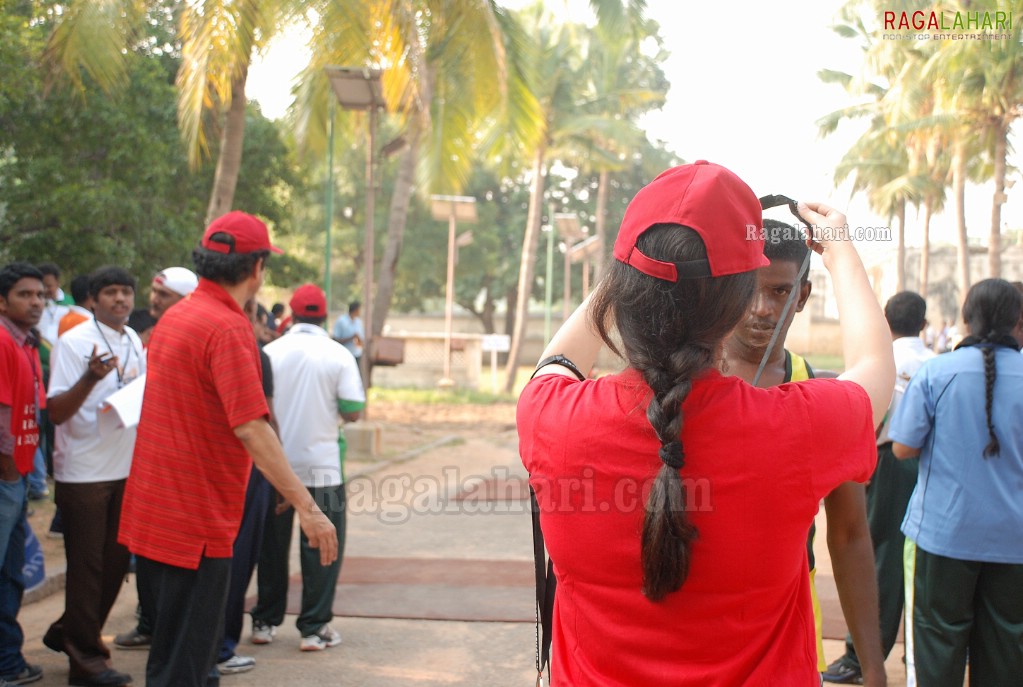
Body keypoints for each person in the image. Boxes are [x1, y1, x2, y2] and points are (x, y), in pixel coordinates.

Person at [516, 162, 894, 686]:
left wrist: (635, 264)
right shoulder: (795, 429)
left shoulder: (551, 417)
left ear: (621, 290)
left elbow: (555, 362)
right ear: (738, 303)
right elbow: (876, 367)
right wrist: (840, 250)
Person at [117, 211, 338, 687]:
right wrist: (309, 507)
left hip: (160, 510)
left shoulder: (177, 317)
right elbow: (252, 428)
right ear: (257, 268)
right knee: (187, 661)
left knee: (177, 653)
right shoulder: (226, 327)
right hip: (195, 521)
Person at [721, 219, 886, 686]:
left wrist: (872, 667)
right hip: (693, 617)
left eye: (778, 291)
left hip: (786, 622)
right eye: (747, 290)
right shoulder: (682, 381)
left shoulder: (821, 395)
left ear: (803, 295)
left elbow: (850, 533)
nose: (760, 309)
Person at [890, 278, 1023, 687]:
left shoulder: (936, 373)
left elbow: (902, 449)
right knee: (1005, 649)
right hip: (1014, 542)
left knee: (938, 645)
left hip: (944, 535)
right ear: (1018, 320)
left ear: (966, 318)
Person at [824, 291, 934, 684]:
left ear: (886, 322)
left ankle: (860, 657)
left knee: (882, 556)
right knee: (919, 561)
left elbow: (870, 411)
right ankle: (920, 659)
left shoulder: (885, 364)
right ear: (923, 324)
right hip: (928, 465)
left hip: (887, 461)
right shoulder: (936, 363)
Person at [43, 267, 143, 687]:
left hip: (125, 467)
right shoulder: (74, 341)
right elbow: (57, 412)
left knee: (117, 562)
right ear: (93, 300)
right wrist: (90, 378)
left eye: (126, 292)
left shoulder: (134, 339)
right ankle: (85, 661)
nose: (120, 299)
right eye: (110, 292)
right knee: (87, 567)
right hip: (83, 472)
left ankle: (68, 633)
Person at [251, 284, 364, 650]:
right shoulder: (338, 354)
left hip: (274, 466)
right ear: (324, 316)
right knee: (323, 545)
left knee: (271, 546)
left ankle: (265, 622)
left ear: (293, 316)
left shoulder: (269, 351)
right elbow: (353, 410)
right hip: (323, 468)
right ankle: (314, 628)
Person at [112, 265, 199, 652]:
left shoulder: (193, 335)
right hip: (142, 457)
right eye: (153, 292)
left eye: (162, 295)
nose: (153, 301)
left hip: (180, 464)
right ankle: (150, 622)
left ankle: (174, 632)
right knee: (146, 550)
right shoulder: (149, 337)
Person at [213, 298, 276, 677]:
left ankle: (217, 645)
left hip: (234, 468)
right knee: (232, 560)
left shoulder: (256, 355)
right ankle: (219, 647)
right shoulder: (247, 351)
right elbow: (261, 424)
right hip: (235, 470)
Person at [0, 262, 47, 686]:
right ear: (2, 301)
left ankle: (8, 661)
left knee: (11, 573)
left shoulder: (26, 342)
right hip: (5, 479)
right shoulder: (1, 340)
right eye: (24, 295)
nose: (35, 302)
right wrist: (12, 478)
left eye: (39, 296)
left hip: (15, 477)